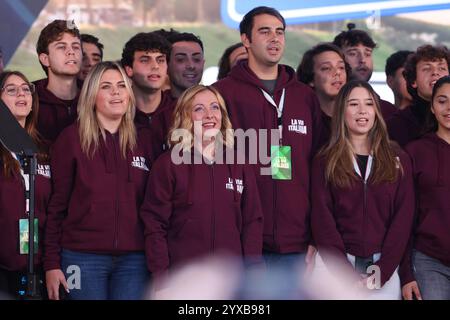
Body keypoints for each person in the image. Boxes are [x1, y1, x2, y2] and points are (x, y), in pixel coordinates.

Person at [214, 6, 321, 280]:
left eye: (280, 32)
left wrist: (316, 234)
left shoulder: (304, 96)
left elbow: (319, 167)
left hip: (295, 243)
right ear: (246, 40)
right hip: (238, 242)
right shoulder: (223, 93)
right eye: (265, 32)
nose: (275, 39)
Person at [43, 61, 152, 300]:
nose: (116, 92)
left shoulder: (145, 140)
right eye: (106, 86)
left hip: (134, 260)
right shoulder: (71, 139)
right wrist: (51, 263)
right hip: (81, 257)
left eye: (122, 85)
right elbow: (56, 205)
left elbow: (154, 208)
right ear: (92, 95)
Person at [140, 85, 263, 287]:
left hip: (230, 279)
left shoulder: (239, 163)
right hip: (184, 278)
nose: (209, 115)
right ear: (185, 116)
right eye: (199, 109)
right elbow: (155, 225)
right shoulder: (168, 164)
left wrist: (253, 272)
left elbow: (252, 221)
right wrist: (161, 279)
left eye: (215, 107)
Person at [311, 80, 415, 299]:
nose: (362, 111)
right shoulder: (325, 160)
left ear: (376, 110)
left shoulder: (398, 158)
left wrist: (382, 271)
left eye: (368, 104)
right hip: (335, 268)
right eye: (353, 104)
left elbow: (402, 220)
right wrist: (345, 273)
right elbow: (322, 221)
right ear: (342, 111)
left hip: (382, 267)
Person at [0, 71, 51, 298]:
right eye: (11, 90)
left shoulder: (43, 150)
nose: (21, 93)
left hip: (36, 264)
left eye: (26, 88)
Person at [400, 76, 450, 300]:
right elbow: (403, 215)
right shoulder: (416, 151)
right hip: (429, 260)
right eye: (442, 101)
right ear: (432, 106)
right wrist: (406, 273)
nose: (449, 108)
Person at [122, 32, 175, 159]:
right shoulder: (117, 112)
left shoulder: (181, 111)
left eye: (160, 60)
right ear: (129, 69)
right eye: (145, 60)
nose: (155, 66)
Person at [387, 45, 450, 146]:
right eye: (426, 69)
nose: (435, 72)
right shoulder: (397, 124)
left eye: (441, 68)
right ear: (413, 81)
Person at [333, 24, 397, 120]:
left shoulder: (388, 111)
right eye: (353, 53)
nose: (362, 59)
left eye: (367, 54)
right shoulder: (323, 106)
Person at [34, 20, 83, 144]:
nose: (71, 51)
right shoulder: (30, 99)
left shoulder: (94, 96)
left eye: (76, 47)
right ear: (45, 59)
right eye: (61, 47)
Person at [297, 42, 349, 148]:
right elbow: (278, 155)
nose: (337, 72)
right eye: (326, 68)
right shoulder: (298, 119)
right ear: (311, 78)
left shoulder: (356, 117)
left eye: (341, 67)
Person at [167, 32, 205, 99]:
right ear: (166, 65)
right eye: (181, 59)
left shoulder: (216, 102)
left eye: (196, 59)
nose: (191, 66)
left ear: (203, 63)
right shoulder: (157, 106)